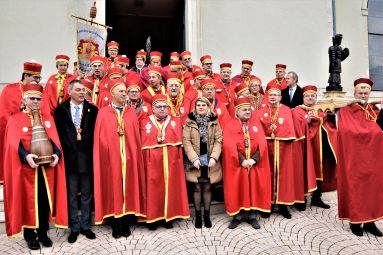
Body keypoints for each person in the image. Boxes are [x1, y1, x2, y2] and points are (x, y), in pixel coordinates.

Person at [3, 83, 67, 249]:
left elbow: (55, 141)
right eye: (32, 98)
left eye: (38, 99)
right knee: (29, 202)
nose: (36, 101)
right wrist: (26, 156)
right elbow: (12, 144)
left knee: (45, 201)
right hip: (26, 170)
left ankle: (44, 233)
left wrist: (56, 155)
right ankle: (30, 236)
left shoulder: (47, 118)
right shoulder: (15, 119)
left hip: (47, 171)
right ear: (24, 100)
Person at [93, 79, 146, 238]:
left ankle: (125, 221)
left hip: (129, 158)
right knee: (113, 187)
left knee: (128, 186)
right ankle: (115, 223)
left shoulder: (130, 112)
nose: (125, 94)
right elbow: (101, 139)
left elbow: (135, 138)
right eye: (122, 91)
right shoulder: (103, 112)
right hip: (111, 159)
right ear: (112, 94)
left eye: (126, 91)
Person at [337, 78, 383, 237]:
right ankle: (355, 222)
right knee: (356, 189)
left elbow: (380, 131)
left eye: (366, 93)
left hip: (373, 159)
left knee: (373, 190)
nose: (363, 95)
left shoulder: (374, 110)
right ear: (355, 93)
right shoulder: (346, 111)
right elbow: (346, 132)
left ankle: (370, 222)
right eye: (360, 93)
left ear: (369, 94)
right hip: (354, 158)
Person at [54, 79, 98, 243]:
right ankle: (74, 228)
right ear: (70, 91)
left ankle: (86, 226)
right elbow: (58, 134)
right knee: (71, 195)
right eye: (78, 90)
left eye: (84, 90)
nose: (82, 93)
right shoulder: (60, 110)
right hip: (69, 158)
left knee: (86, 195)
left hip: (87, 158)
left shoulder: (93, 110)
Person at [140, 94, 190, 230]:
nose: (162, 109)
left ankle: (168, 217)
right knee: (153, 190)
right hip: (152, 163)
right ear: (153, 108)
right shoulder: (144, 122)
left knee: (170, 188)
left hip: (171, 161)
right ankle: (152, 219)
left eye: (164, 106)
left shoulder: (175, 121)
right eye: (159, 107)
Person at [256, 84, 306, 219]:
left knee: (284, 177)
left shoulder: (286, 110)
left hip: (284, 150)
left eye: (275, 95)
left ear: (280, 97)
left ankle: (283, 206)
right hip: (267, 150)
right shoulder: (261, 110)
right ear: (267, 97)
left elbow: (294, 128)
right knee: (268, 176)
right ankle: (268, 204)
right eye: (271, 95)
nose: (273, 97)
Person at [222, 97, 271, 229]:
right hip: (237, 164)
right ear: (237, 112)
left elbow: (263, 144)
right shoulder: (230, 125)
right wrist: (242, 160)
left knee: (253, 188)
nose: (248, 112)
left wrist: (254, 159)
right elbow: (228, 146)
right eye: (244, 110)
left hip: (254, 163)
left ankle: (252, 216)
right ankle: (237, 217)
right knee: (237, 189)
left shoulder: (255, 124)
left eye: (249, 109)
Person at [293, 85, 337, 208]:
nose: (310, 98)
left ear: (316, 97)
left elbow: (329, 127)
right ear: (303, 97)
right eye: (308, 96)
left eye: (313, 96)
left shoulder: (321, 110)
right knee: (303, 171)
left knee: (319, 171)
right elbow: (294, 127)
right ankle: (300, 199)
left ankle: (316, 198)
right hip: (304, 147)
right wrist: (304, 122)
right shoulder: (297, 110)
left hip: (319, 148)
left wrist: (332, 116)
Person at [183, 97, 222, 228]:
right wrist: (193, 158)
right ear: (195, 107)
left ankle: (207, 214)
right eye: (198, 105)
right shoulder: (189, 121)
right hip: (195, 159)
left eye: (203, 105)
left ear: (208, 107)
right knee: (197, 187)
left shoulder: (214, 121)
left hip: (210, 159)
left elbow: (218, 140)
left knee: (207, 187)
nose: (200, 107)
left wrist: (214, 157)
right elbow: (186, 141)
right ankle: (198, 215)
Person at [0, 61, 43, 184]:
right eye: (35, 77)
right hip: (15, 130)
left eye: (39, 78)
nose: (37, 81)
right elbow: (4, 113)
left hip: (33, 131)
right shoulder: (10, 89)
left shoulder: (38, 91)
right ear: (25, 76)